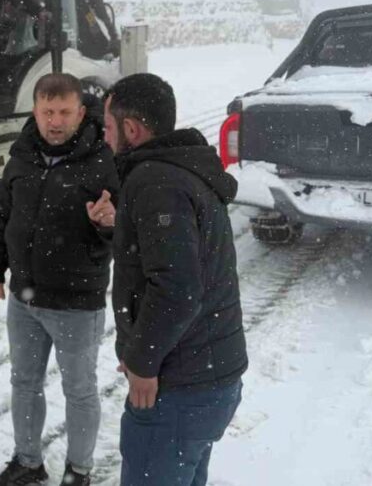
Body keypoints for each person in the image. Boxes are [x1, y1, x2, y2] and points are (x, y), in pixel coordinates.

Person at [91, 73, 247, 486]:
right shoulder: (178, 169)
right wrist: (118, 228)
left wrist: (142, 361)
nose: (105, 138)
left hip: (180, 388)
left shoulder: (155, 181)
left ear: (131, 129)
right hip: (208, 378)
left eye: (108, 127)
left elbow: (177, 289)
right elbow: (171, 256)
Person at [0, 73, 120, 486]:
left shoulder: (103, 161)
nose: (55, 121)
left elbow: (124, 234)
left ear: (80, 113)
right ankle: (28, 462)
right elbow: (4, 216)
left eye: (64, 112)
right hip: (23, 299)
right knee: (24, 383)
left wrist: (110, 225)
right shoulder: (22, 155)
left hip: (77, 303)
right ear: (36, 111)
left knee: (79, 390)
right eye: (47, 111)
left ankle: (78, 470)